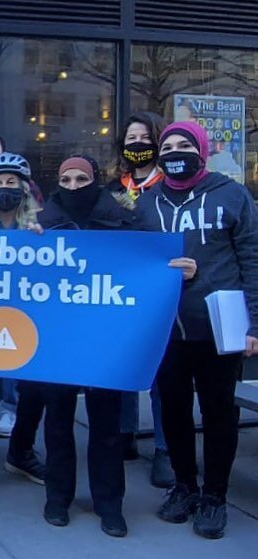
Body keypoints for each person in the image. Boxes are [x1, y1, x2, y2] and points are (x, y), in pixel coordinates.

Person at [137, 121, 257, 540]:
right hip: (166, 327)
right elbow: (134, 261)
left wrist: (254, 324)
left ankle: (215, 497)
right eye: (167, 145)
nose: (174, 151)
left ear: (201, 150)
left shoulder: (231, 194)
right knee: (172, 412)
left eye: (183, 144)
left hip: (220, 325)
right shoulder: (147, 203)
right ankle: (184, 486)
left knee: (219, 413)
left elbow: (252, 259)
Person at [37, 155, 135, 537]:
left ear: (95, 180)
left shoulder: (123, 221)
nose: (74, 184)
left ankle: (109, 503)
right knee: (58, 420)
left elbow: (144, 268)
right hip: (57, 338)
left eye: (81, 178)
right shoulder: (43, 223)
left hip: (104, 337)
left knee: (107, 423)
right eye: (66, 178)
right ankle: (57, 497)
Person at [108, 112, 174, 488]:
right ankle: (125, 434)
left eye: (144, 138)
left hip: (162, 290)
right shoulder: (114, 188)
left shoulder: (169, 185)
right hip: (123, 290)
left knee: (162, 371)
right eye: (131, 139)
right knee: (125, 365)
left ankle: (164, 449)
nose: (137, 145)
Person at [0, 153, 46, 486]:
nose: (4, 188)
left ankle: (21, 451)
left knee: (31, 387)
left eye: (11, 183)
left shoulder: (39, 224)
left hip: (26, 316)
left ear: (24, 189)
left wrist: (43, 240)